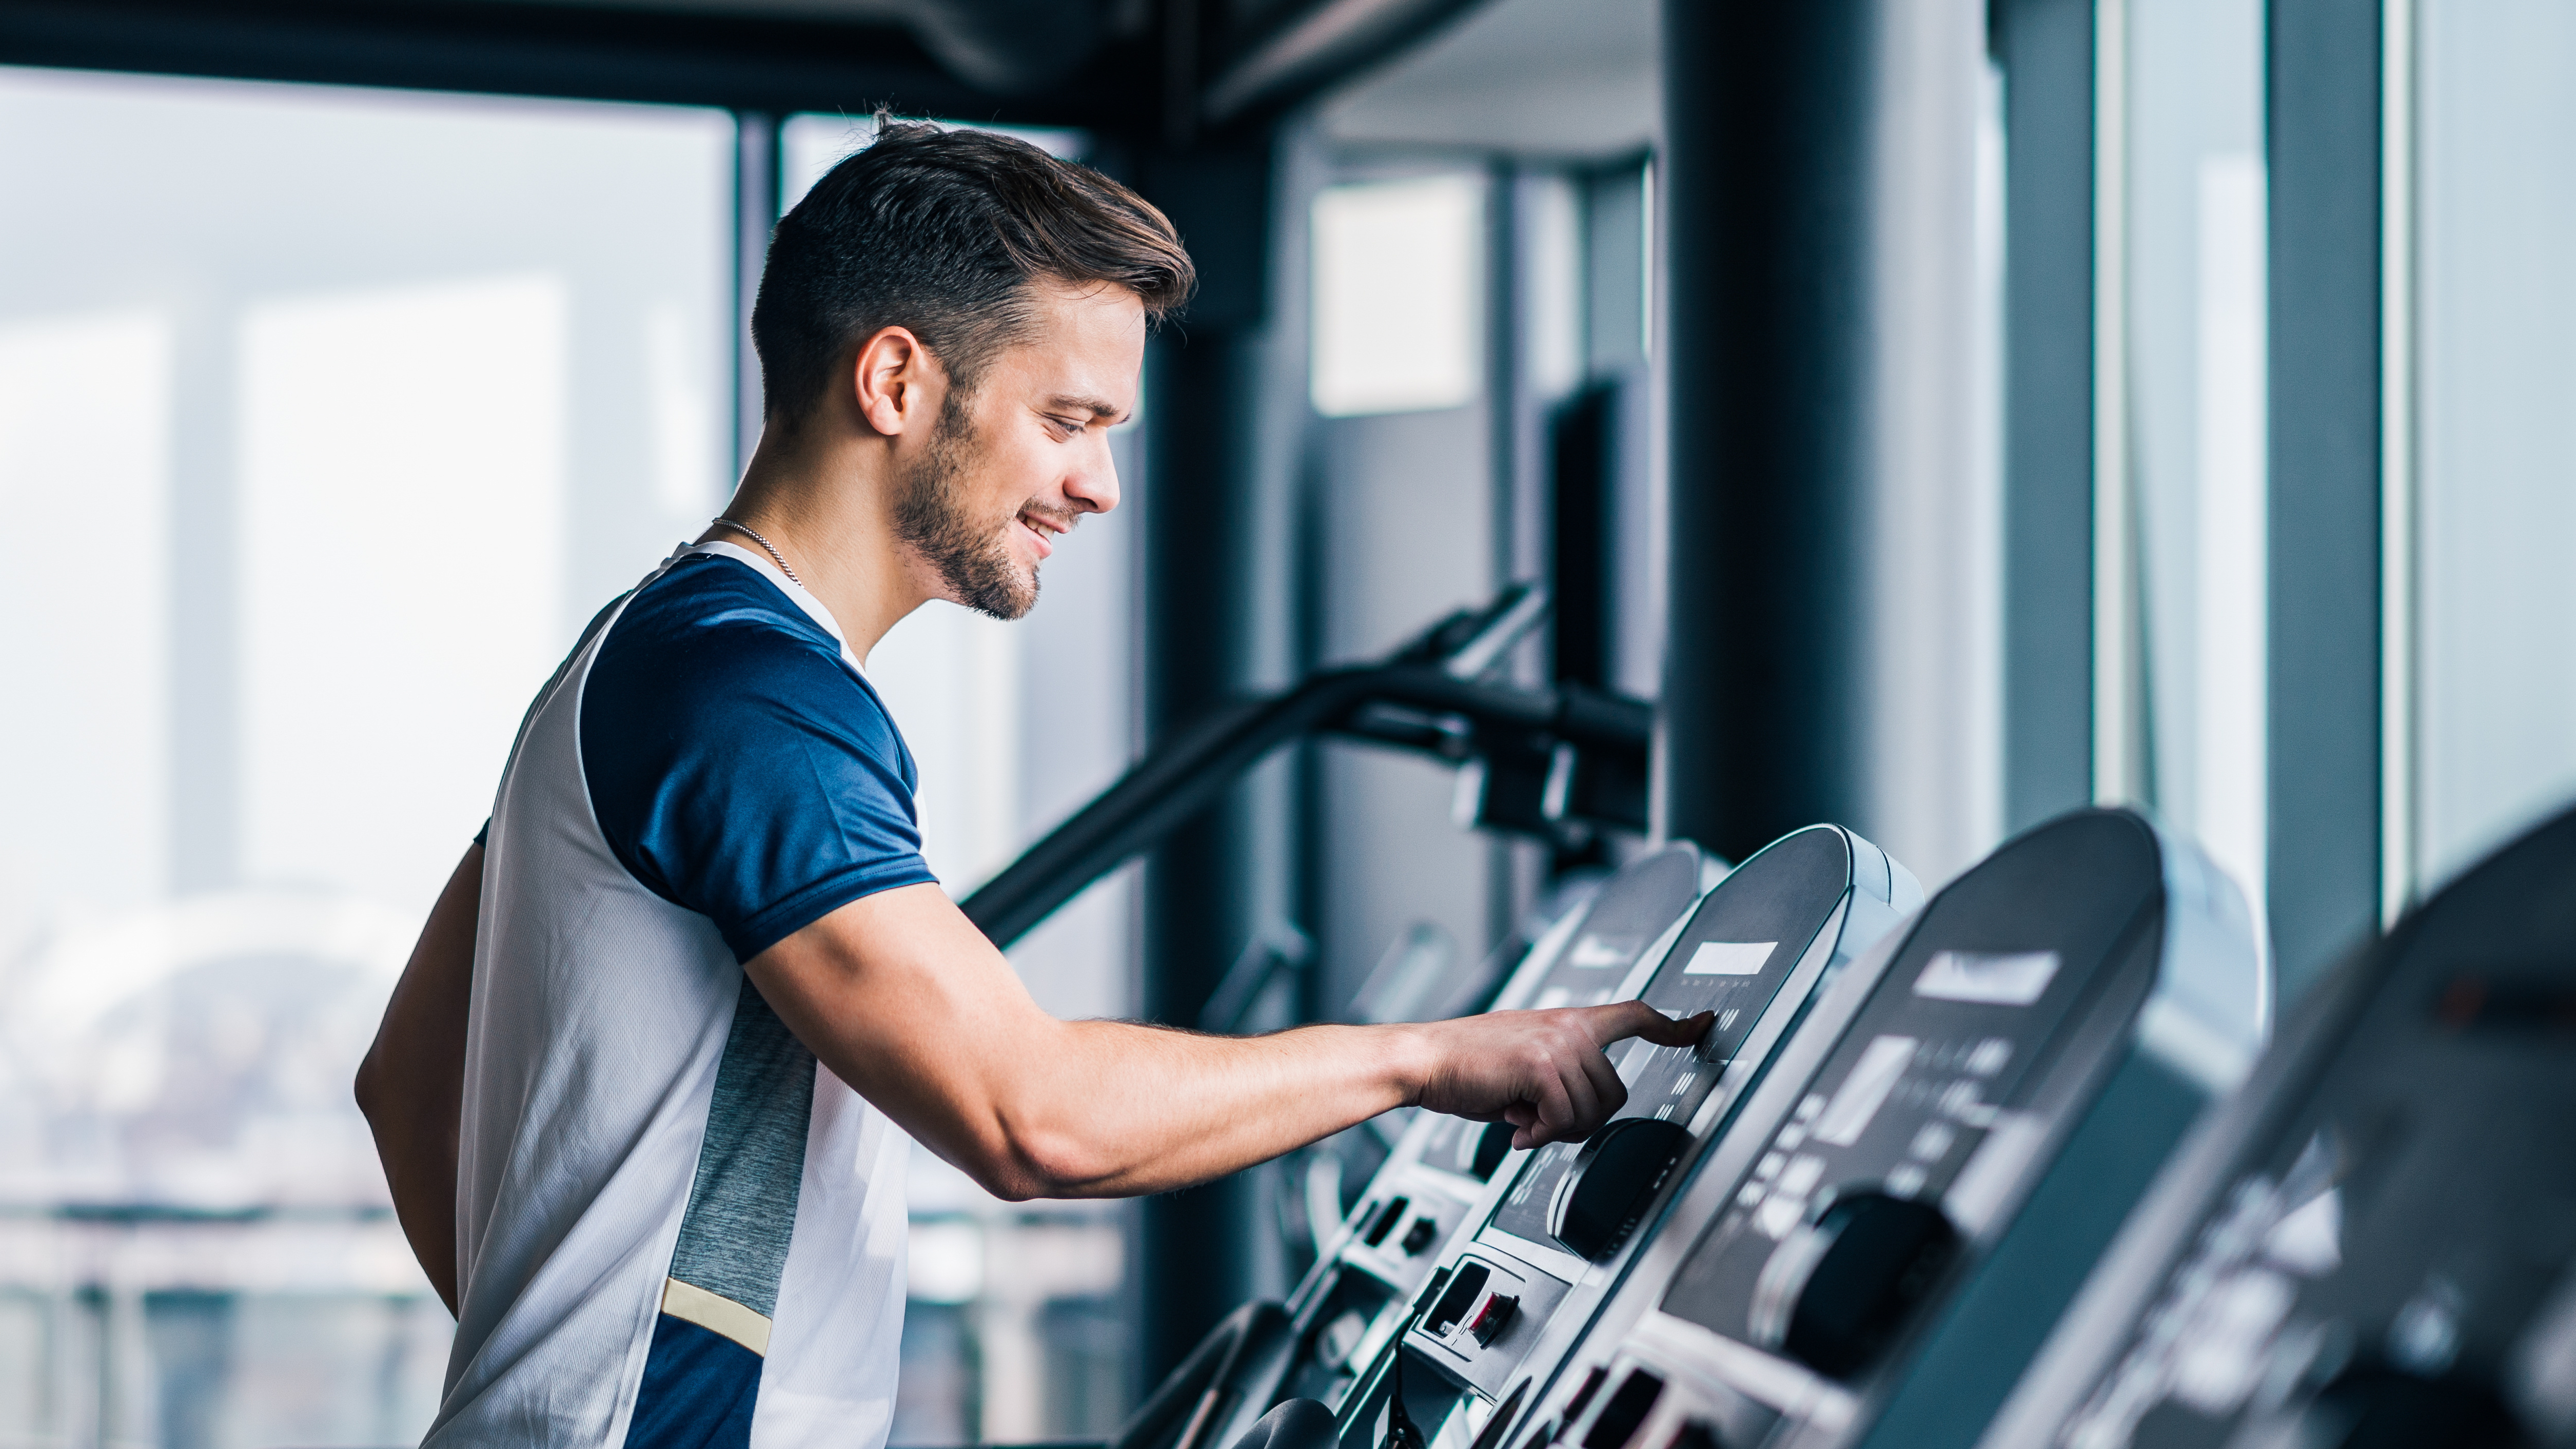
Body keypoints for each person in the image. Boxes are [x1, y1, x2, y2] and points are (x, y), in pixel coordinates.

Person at [354, 118, 1707, 1449]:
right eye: (1068, 420)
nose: (1100, 486)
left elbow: (404, 1087)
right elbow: (1033, 1118)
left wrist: (558, 1379)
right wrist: (1432, 1056)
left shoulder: (640, 654)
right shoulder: (754, 700)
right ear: (895, 382)